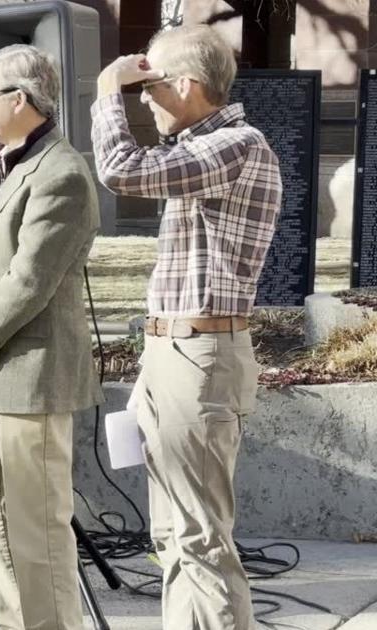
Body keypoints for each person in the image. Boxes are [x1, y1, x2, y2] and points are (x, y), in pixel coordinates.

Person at [91, 25, 282, 630]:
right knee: (173, 533)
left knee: (199, 539)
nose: (142, 99)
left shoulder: (237, 145)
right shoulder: (202, 150)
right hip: (175, 351)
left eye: (150, 87)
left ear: (186, 85)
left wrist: (105, 93)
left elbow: (121, 170)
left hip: (199, 354)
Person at [0, 44, 102, 630]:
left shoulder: (61, 172)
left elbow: (30, 278)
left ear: (20, 99)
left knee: (37, 527)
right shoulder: (3, 164)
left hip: (30, 376)